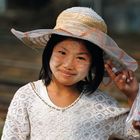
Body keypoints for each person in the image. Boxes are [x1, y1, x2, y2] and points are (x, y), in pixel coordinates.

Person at [1, 7, 140, 140]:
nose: (68, 65)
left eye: (80, 58)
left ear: (92, 64)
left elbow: (134, 134)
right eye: (62, 52)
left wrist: (133, 96)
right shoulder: (26, 97)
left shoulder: (104, 106)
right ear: (49, 52)